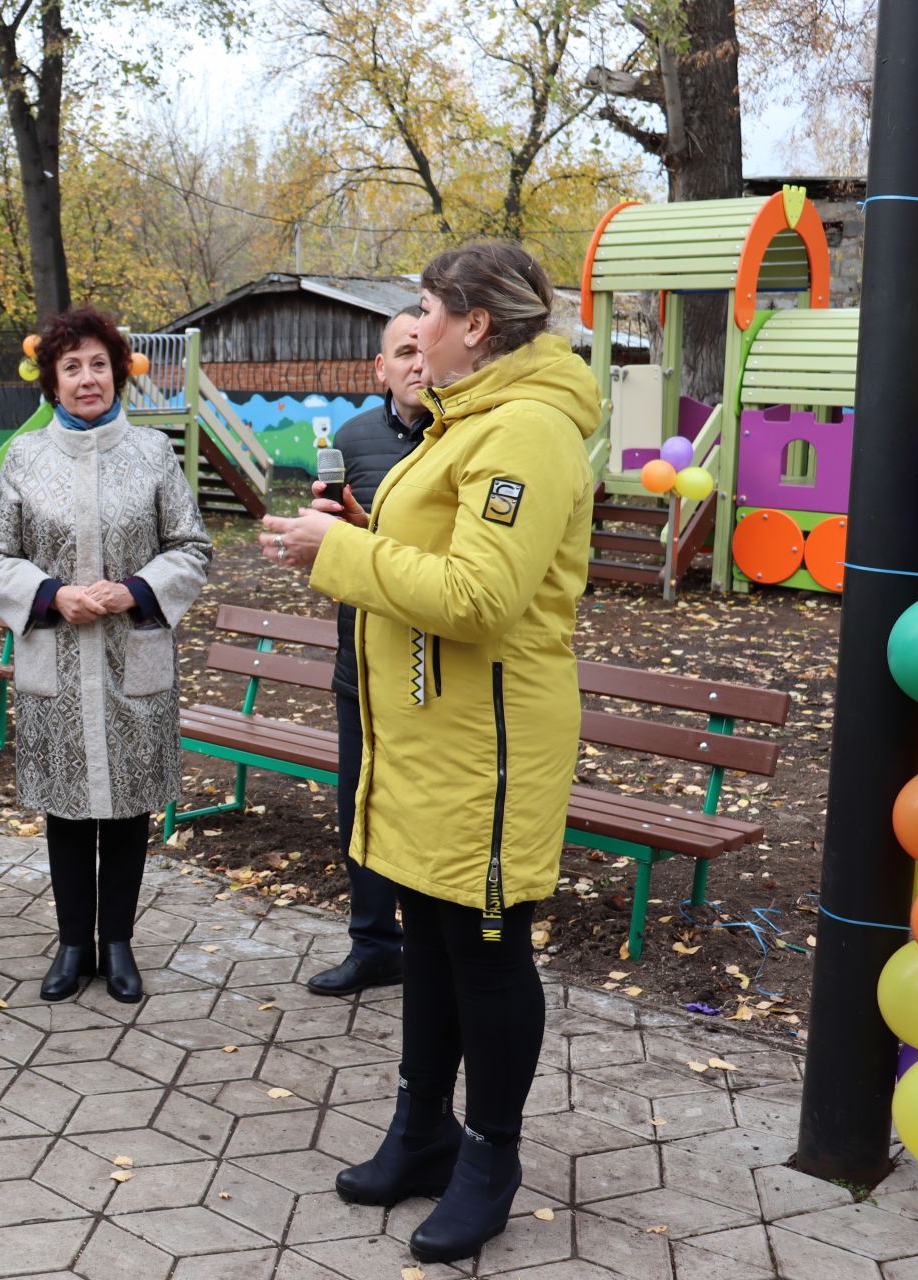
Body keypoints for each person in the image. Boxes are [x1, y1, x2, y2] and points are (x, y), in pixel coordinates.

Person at [259, 241, 599, 1264]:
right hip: (430, 736)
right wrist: (361, 530)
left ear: (477, 325)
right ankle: (422, 1131)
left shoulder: (528, 430)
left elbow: (483, 597)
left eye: (426, 310)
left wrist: (343, 552)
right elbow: (444, 558)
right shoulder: (472, 421)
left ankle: (490, 1154)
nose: (418, 327)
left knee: (487, 951)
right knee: (433, 940)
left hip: (489, 746)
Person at [0, 306, 211, 1004]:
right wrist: (51, 594)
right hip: (56, 661)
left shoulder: (153, 454)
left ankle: (119, 943)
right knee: (69, 810)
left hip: (131, 658)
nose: (87, 379)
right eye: (71, 367)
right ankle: (74, 942)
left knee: (128, 807)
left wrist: (134, 590)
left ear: (117, 374)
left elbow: (191, 547)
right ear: (52, 380)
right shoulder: (25, 458)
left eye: (98, 365)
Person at [304, 305, 429, 997]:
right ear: (381, 368)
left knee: (427, 814)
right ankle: (375, 944)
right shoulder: (348, 440)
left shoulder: (462, 441)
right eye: (402, 352)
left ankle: (433, 949)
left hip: (439, 673)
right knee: (361, 808)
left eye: (424, 348)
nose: (416, 363)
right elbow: (332, 553)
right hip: (363, 665)